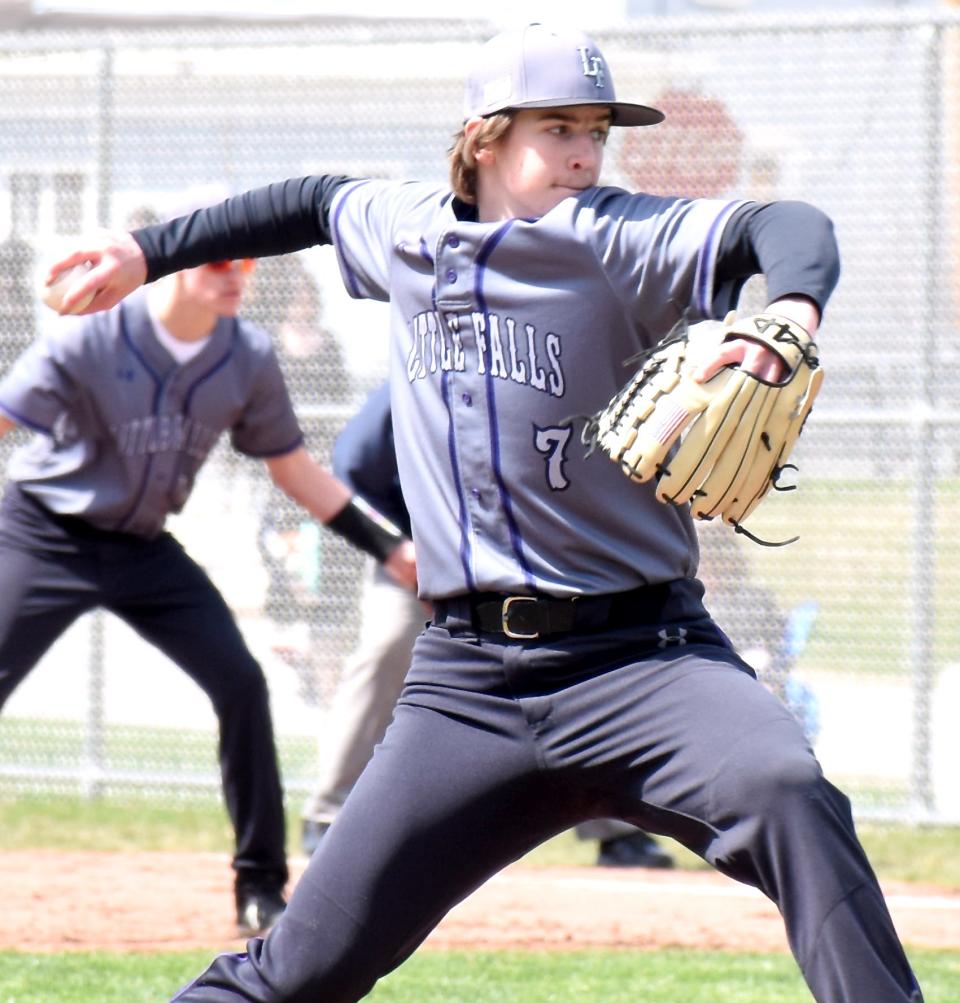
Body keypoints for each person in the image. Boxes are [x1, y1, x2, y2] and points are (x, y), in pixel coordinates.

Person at [50, 23, 922, 1003]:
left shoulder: (619, 235)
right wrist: (147, 249)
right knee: (303, 968)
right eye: (559, 128)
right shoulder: (407, 228)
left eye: (597, 129)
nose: (587, 152)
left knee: (787, 792)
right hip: (468, 688)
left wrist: (792, 307)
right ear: (485, 137)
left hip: (646, 661)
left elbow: (788, 224)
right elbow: (303, 202)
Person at [0, 208, 416, 940]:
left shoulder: (246, 355)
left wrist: (390, 548)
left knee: (241, 682)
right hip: (42, 531)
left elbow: (295, 470)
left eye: (246, 263)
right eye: (220, 261)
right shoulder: (94, 336)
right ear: (171, 264)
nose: (237, 275)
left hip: (143, 547)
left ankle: (261, 887)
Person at [300, 380, 427, 855]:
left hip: (512, 562)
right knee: (388, 648)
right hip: (414, 560)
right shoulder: (411, 381)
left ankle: (614, 828)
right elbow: (351, 468)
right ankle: (329, 812)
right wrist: (394, 547)